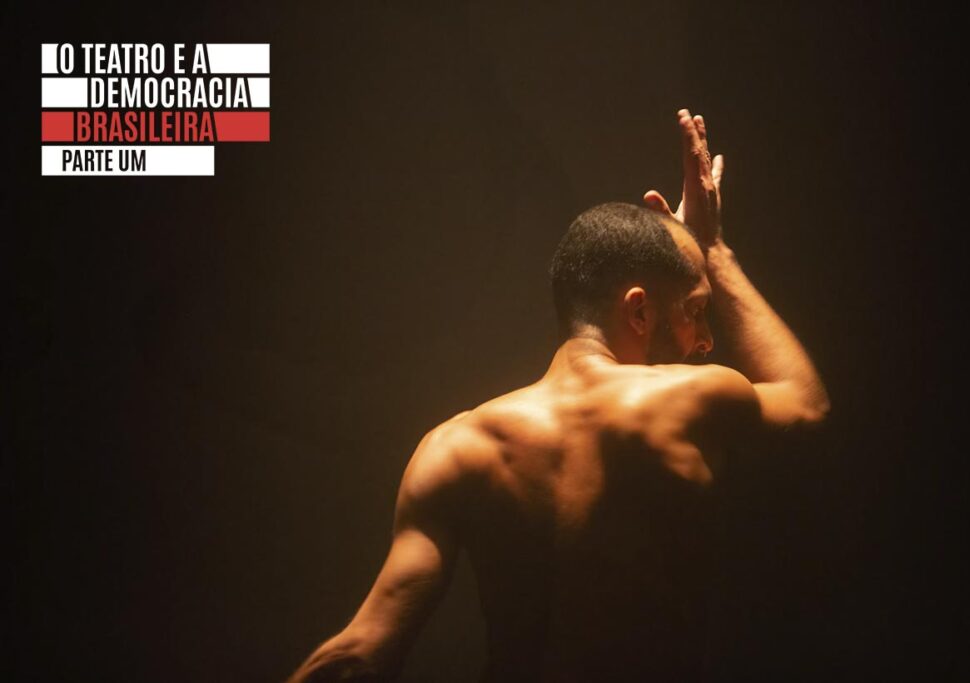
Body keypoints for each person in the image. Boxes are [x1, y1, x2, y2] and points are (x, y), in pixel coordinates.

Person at [286, 109, 830, 682]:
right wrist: (713, 250)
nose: (706, 340)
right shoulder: (690, 399)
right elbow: (806, 402)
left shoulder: (456, 445)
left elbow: (363, 650)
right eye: (695, 310)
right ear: (639, 310)